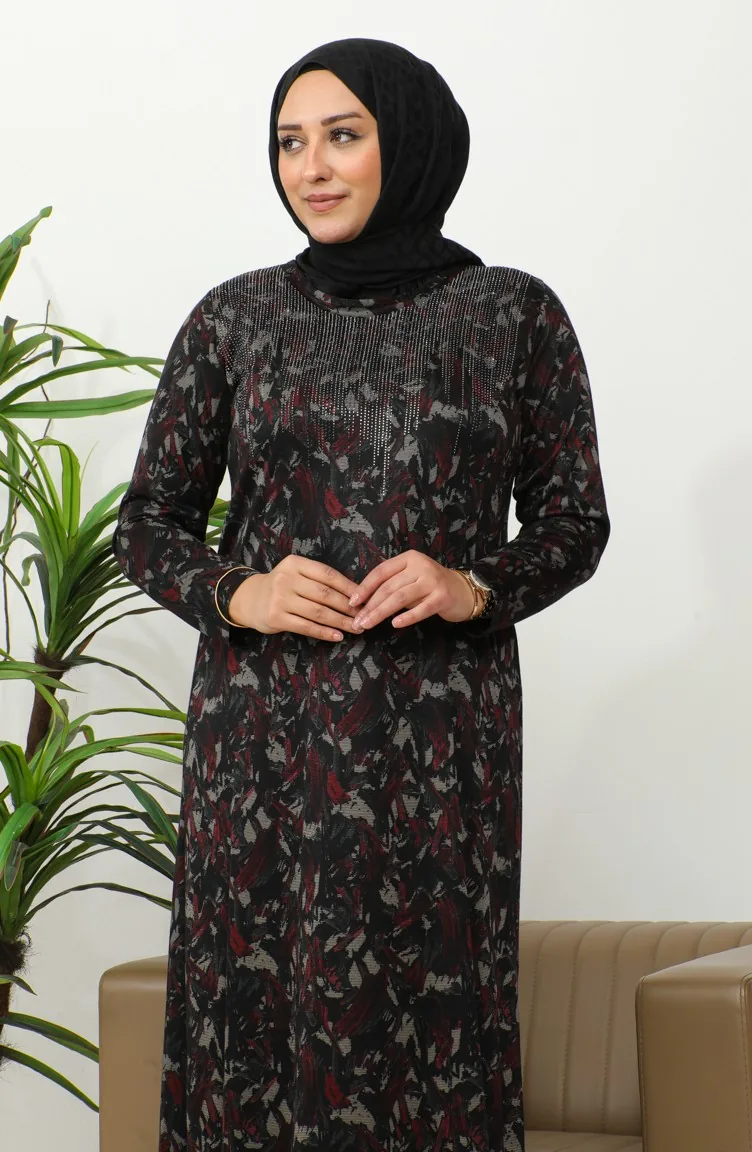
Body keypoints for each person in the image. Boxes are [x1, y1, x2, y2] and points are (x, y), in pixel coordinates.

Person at [112, 36, 610, 1152]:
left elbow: (575, 523)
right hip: (260, 743)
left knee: (428, 1006)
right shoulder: (234, 319)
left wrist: (471, 582)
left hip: (436, 740)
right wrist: (239, 593)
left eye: (342, 136)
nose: (311, 167)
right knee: (253, 1011)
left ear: (412, 143)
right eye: (290, 143)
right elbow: (145, 522)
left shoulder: (510, 314)